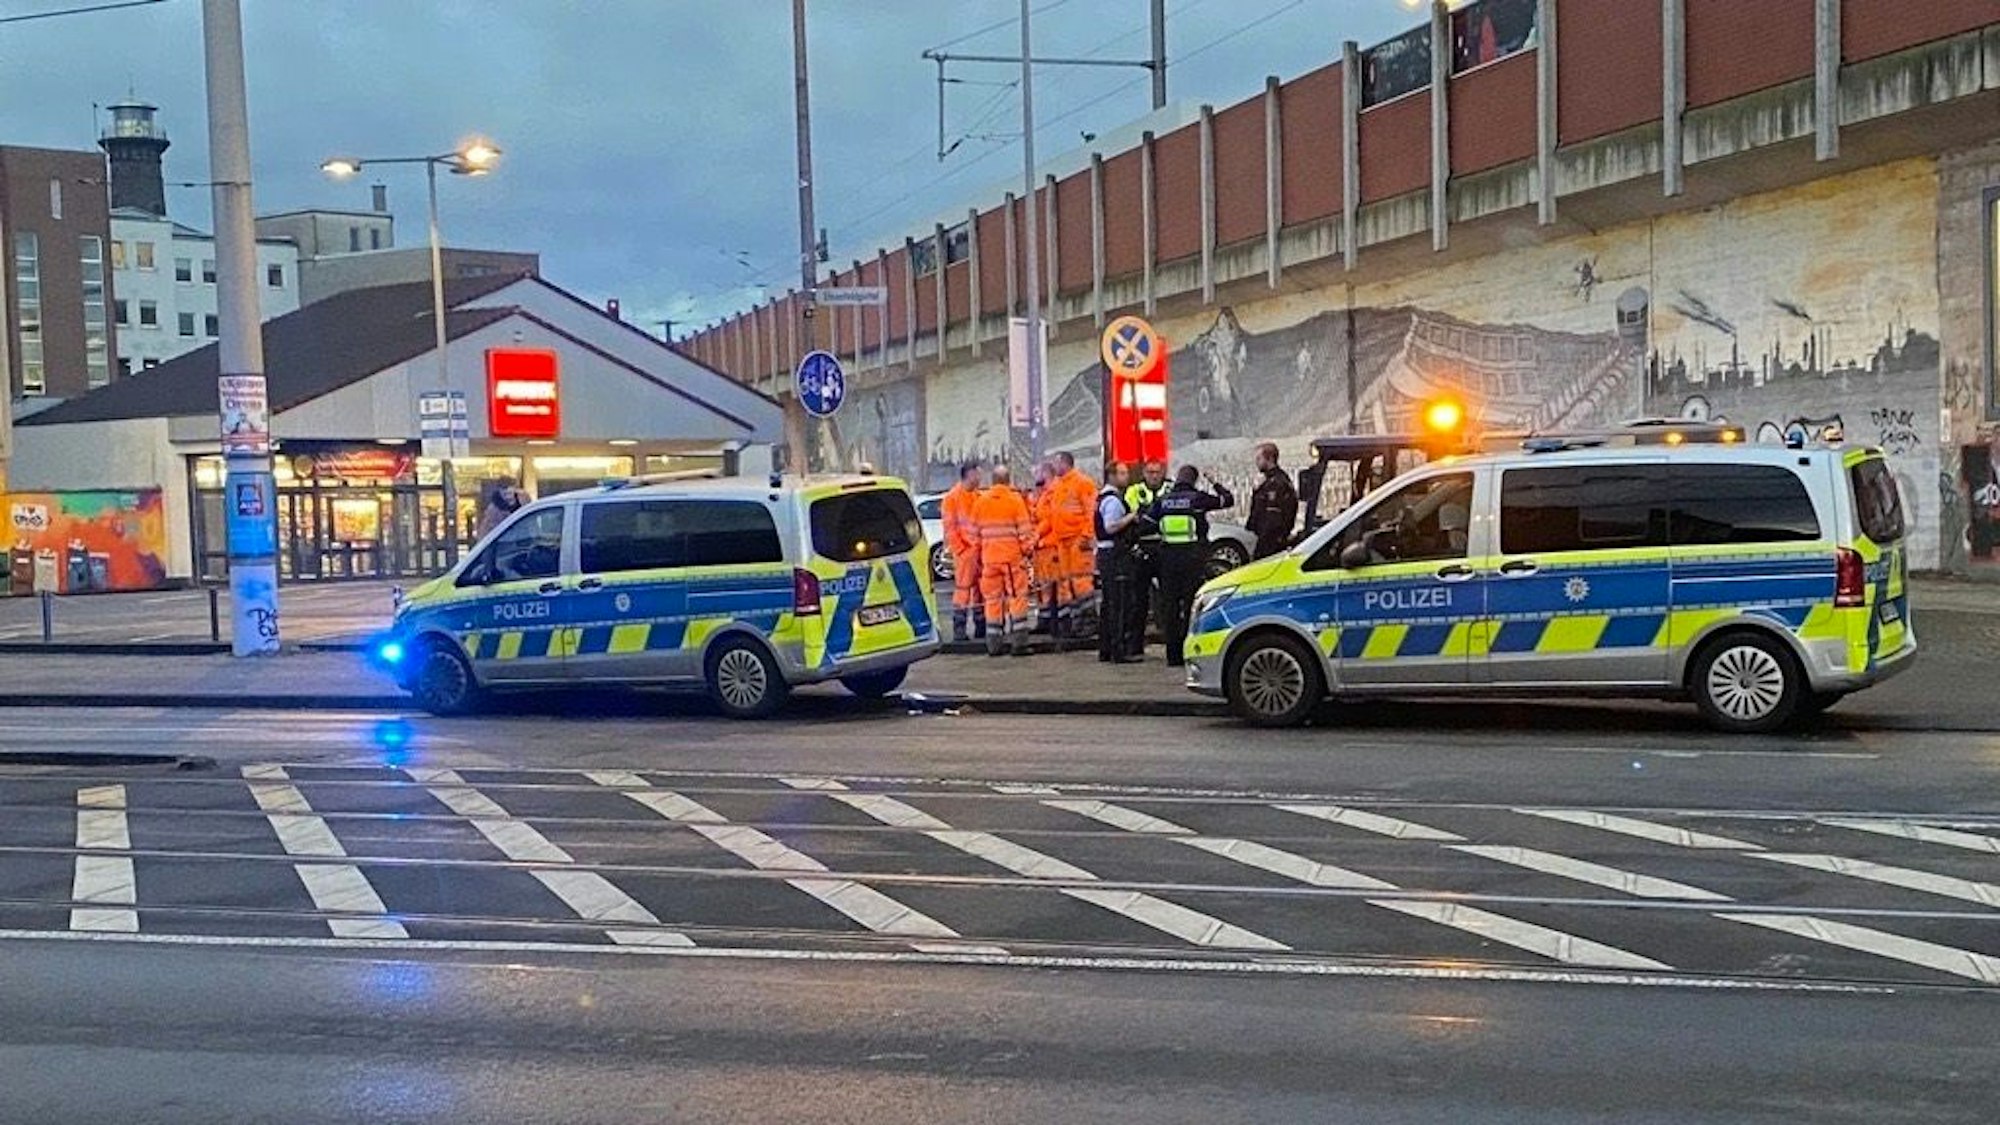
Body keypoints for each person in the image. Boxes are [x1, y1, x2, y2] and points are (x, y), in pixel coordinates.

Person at [1152, 465, 1236, 667]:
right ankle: (1190, 651)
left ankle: (1173, 655)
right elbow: (1228, 500)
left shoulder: (1163, 501)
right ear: (1194, 480)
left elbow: (1146, 523)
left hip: (1168, 561)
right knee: (1192, 605)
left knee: (1170, 607)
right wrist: (1214, 481)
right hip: (1193, 559)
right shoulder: (1197, 498)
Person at [971, 464, 1037, 657]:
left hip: (989, 560)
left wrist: (979, 558)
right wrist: (1027, 551)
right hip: (1011, 560)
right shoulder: (1014, 500)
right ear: (1008, 480)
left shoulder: (981, 502)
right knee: (1017, 599)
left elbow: (974, 537)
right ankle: (1019, 643)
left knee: (992, 601)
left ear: (992, 481)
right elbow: (1024, 532)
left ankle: (994, 645)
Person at [1095, 462, 1143, 664]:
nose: (1126, 477)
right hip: (1115, 555)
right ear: (1112, 475)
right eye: (1122, 473)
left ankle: (1105, 648)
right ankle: (1118, 650)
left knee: (1109, 603)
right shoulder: (1113, 501)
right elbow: (1111, 526)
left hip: (1105, 555)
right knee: (1119, 603)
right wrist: (1131, 517)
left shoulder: (1101, 498)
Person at [1048, 451, 1098, 644]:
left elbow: (1090, 511)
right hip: (1063, 541)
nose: (1054, 466)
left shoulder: (1082, 483)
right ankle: (1077, 622)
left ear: (1065, 463)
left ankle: (1090, 621)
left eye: (1056, 462)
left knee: (1081, 582)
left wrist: (1086, 535)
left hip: (1078, 539)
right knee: (1069, 583)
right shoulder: (1059, 485)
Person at [1123, 461, 1168, 658]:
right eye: (1150, 472)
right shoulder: (1134, 491)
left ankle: (1169, 640)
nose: (1154, 476)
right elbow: (1133, 515)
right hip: (1141, 550)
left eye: (1157, 472)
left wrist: (1146, 514)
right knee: (1138, 601)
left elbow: (1145, 516)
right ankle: (1135, 645)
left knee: (1168, 599)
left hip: (1164, 549)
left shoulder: (1170, 487)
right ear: (1144, 473)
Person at [941, 462, 986, 643]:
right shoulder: (952, 498)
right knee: (963, 591)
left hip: (979, 550)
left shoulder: (978, 497)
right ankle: (959, 629)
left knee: (979, 591)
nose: (980, 478)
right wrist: (961, 550)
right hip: (965, 552)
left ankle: (980, 626)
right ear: (969, 475)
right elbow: (950, 528)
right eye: (978, 475)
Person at [1245, 443, 1299, 559]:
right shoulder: (1269, 481)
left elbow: (1273, 519)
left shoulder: (1277, 484)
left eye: (1259, 458)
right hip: (1266, 540)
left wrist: (1264, 544)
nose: (1257, 462)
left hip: (1270, 544)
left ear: (1270, 459)